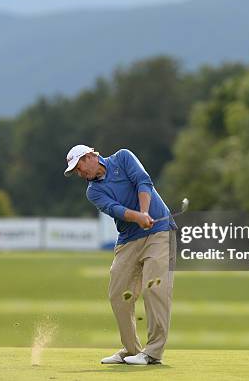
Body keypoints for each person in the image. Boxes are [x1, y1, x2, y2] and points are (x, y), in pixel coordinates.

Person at [64, 144, 176, 365]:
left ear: (89, 157)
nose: (79, 173)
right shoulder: (93, 191)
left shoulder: (122, 158)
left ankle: (153, 353)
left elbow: (143, 182)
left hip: (159, 232)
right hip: (129, 239)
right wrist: (138, 217)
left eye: (79, 167)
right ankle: (132, 349)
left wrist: (144, 213)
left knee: (154, 287)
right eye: (75, 171)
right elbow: (116, 210)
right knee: (118, 292)